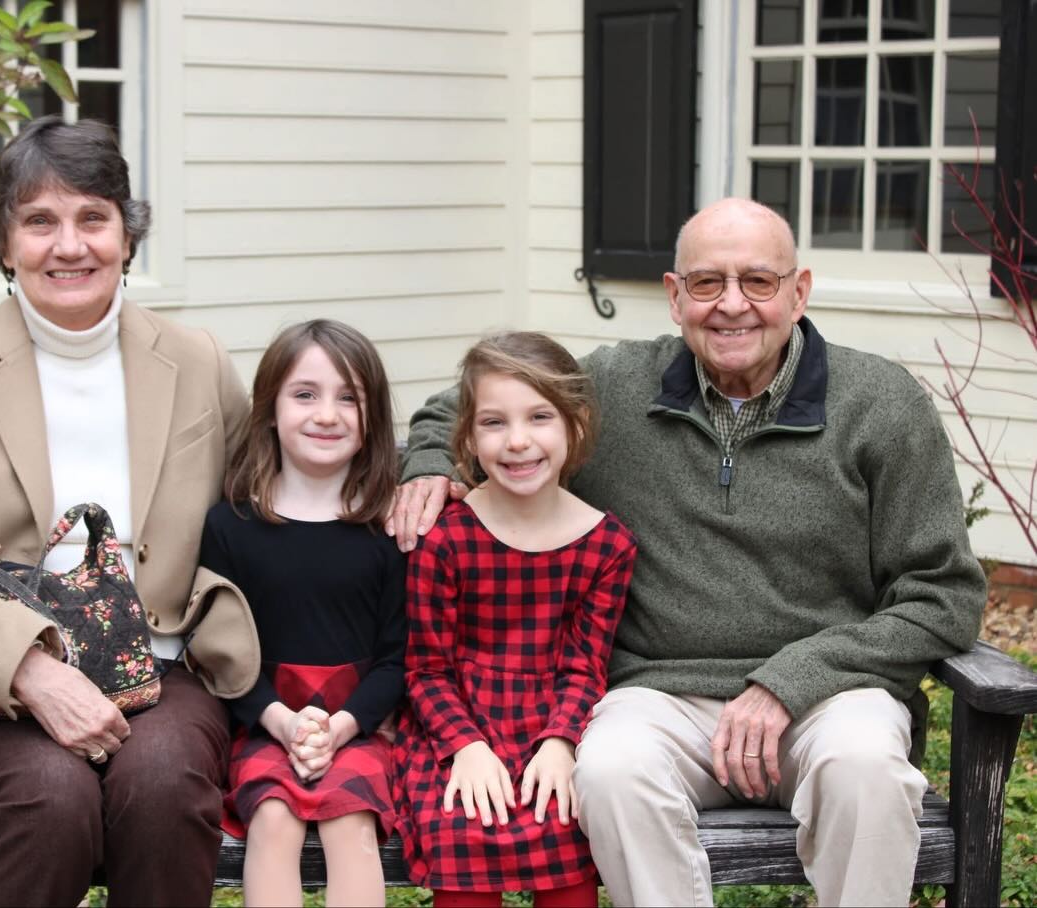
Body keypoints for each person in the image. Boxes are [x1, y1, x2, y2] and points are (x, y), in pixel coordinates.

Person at [387, 198, 987, 907]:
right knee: (609, 768)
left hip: (829, 698)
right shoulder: (614, 388)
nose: (732, 305)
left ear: (800, 292)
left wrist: (791, 680)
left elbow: (943, 594)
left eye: (758, 282)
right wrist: (429, 463)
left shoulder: (882, 405)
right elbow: (468, 402)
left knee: (868, 770)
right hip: (661, 694)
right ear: (675, 297)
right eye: (707, 284)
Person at [0, 116, 258, 906]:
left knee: (164, 785)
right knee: (51, 802)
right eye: (40, 222)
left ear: (127, 236)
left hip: (161, 667)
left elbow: (263, 500)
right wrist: (31, 670)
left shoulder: (197, 359)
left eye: (93, 217)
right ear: (4, 242)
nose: (70, 246)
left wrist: (424, 473)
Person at [394, 332, 637, 908]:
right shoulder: (445, 540)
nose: (518, 441)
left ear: (575, 425)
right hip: (455, 722)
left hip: (551, 721)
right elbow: (426, 669)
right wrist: (465, 748)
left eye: (540, 417)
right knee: (464, 825)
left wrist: (561, 742)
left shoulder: (607, 546)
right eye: (494, 423)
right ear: (469, 439)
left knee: (565, 823)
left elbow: (585, 667)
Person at [199, 319, 407, 907]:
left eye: (350, 398)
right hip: (265, 717)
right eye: (306, 394)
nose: (327, 414)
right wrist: (281, 720)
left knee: (351, 824)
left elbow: (399, 657)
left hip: (362, 722)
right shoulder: (230, 526)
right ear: (270, 408)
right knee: (272, 819)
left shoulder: (388, 528)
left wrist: (343, 726)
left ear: (373, 421)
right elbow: (220, 651)